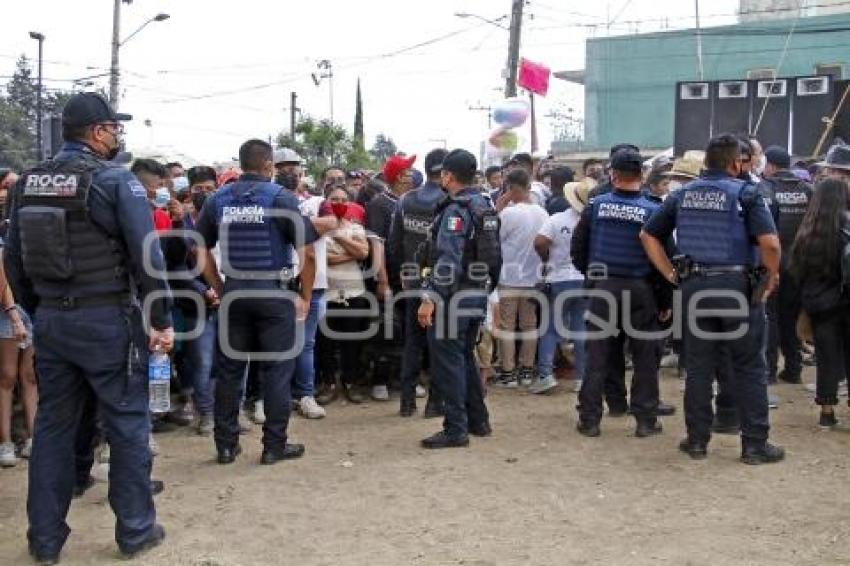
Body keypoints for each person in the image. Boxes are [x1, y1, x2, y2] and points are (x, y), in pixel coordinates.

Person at [5, 92, 174, 561]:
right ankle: (136, 530)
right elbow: (148, 257)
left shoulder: (27, 183)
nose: (118, 135)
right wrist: (161, 319)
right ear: (98, 132)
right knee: (126, 425)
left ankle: (44, 540)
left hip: (55, 323)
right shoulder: (114, 181)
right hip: (108, 323)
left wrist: (41, 312)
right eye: (114, 127)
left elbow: (14, 260)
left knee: (54, 431)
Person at [641, 133, 785, 464]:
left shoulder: (683, 195)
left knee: (699, 368)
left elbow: (648, 234)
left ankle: (696, 441)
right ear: (736, 162)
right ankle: (754, 444)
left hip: (693, 287)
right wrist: (771, 275)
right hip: (737, 287)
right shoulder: (747, 193)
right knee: (749, 366)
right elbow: (772, 245)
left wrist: (669, 273)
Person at [195, 139, 338, 466]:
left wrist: (219, 286)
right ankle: (275, 445)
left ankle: (226, 446)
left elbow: (199, 250)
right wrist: (303, 296)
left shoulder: (218, 199)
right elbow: (307, 254)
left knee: (230, 371)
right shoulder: (281, 198)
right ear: (269, 166)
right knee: (277, 371)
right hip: (273, 294)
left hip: (234, 294)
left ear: (242, 164)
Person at [571, 148, 666, 438]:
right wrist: (663, 298)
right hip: (641, 290)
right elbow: (663, 257)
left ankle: (590, 420)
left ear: (612, 174)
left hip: (603, 289)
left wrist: (594, 277)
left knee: (597, 356)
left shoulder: (596, 206)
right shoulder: (654, 209)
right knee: (645, 359)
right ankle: (646, 421)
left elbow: (578, 250)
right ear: (642, 175)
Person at [418, 149, 501, 448]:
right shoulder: (484, 206)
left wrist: (430, 298)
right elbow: (495, 259)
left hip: (453, 298)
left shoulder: (456, 210)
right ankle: (478, 420)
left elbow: (448, 261)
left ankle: (456, 428)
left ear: (448, 175)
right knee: (464, 358)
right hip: (476, 294)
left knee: (449, 363)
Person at [387, 148, 448, 417]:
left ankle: (407, 402)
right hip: (441, 282)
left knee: (412, 342)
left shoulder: (406, 200)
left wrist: (402, 270)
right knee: (438, 342)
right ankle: (435, 402)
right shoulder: (450, 200)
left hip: (410, 279)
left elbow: (394, 243)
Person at [789, 178, 850, 428]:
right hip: (846, 301)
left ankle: (827, 411)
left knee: (826, 358)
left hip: (819, 305)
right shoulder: (847, 228)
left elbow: (796, 271)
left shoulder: (807, 230)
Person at [365, 154, 416, 400]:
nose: (411, 175)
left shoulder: (410, 201)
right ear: (398, 176)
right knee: (386, 330)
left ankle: (405, 379)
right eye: (407, 171)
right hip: (389, 277)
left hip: (411, 277)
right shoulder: (379, 204)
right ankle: (380, 380)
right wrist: (382, 279)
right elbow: (377, 243)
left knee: (410, 331)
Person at [532, 179, 590, 395]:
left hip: (560, 279)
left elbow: (539, 242)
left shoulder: (557, 219)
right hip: (584, 279)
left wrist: (547, 259)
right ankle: (582, 378)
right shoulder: (590, 221)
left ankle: (546, 375)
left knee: (550, 329)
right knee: (580, 329)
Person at [493, 169, 549, 388]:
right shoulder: (542, 213)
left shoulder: (508, 214)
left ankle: (508, 374)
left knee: (506, 326)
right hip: (533, 277)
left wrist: (498, 208)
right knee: (530, 325)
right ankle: (526, 371)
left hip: (509, 276)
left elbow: (495, 239)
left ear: (512, 188)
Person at [761, 146, 812, 385]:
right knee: (791, 315)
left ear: (770, 165)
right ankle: (793, 368)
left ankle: (769, 370)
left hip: (773, 260)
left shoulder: (767, 188)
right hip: (800, 262)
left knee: (770, 315)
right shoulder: (807, 190)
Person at [317, 188, 372, 404]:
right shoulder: (317, 229)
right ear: (326, 201)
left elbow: (364, 253)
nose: (338, 203)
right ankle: (329, 383)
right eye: (334, 199)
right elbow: (321, 258)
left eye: (343, 200)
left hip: (353, 292)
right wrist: (349, 253)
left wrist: (339, 237)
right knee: (326, 343)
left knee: (352, 342)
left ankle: (350, 382)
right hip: (325, 293)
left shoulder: (356, 228)